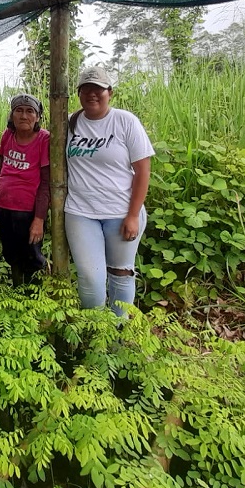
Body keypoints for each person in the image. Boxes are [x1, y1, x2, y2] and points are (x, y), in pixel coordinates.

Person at [65, 66, 153, 315]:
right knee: (91, 279)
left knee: (121, 273)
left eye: (99, 89)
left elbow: (143, 171)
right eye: (86, 89)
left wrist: (133, 215)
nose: (92, 94)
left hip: (121, 212)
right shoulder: (71, 123)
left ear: (110, 93)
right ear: (79, 93)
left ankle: (118, 334)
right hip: (81, 212)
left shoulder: (125, 121)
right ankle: (94, 334)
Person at [0, 94, 50, 286]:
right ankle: (16, 292)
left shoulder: (43, 139)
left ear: (38, 116)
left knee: (32, 256)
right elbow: (1, 168)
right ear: (12, 115)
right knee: (11, 253)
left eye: (30, 111)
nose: (24, 116)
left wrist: (39, 219)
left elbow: (46, 182)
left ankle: (33, 300)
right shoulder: (8, 135)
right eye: (19, 110)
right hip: (4, 205)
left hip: (28, 211)